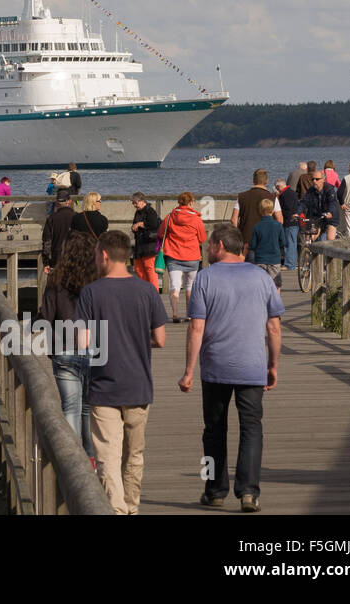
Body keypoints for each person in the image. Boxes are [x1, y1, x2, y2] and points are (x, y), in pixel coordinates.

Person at [178, 224, 283, 513]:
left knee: (213, 430)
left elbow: (196, 328)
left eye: (209, 245)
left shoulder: (205, 278)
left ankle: (214, 490)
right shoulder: (262, 277)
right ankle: (249, 492)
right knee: (252, 428)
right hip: (252, 366)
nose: (207, 250)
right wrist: (273, 365)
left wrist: (188, 370)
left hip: (215, 367)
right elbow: (274, 327)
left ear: (221, 246)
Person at [77, 229, 168, 515]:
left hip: (104, 386)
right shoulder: (146, 290)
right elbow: (161, 339)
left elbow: (83, 342)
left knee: (107, 456)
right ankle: (131, 507)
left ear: (104, 256)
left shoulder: (91, 292)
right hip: (139, 385)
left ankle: (115, 510)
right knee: (134, 455)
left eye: (95, 256)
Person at [38, 231, 97, 462]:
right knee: (88, 408)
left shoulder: (55, 280)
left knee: (70, 406)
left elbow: (46, 317)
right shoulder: (97, 280)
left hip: (63, 347)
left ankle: (72, 462)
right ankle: (91, 459)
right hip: (94, 348)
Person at [157, 191, 207, 322]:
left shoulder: (169, 217)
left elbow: (161, 233)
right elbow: (202, 238)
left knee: (175, 285)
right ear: (191, 203)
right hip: (192, 256)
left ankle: (174, 313)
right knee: (190, 285)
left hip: (173, 256)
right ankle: (189, 314)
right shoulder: (196, 219)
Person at [247, 197, 284, 291]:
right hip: (274, 259)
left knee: (261, 285)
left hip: (260, 260)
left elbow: (253, 245)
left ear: (260, 211)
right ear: (272, 211)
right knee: (276, 285)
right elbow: (283, 242)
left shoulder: (257, 226)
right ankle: (276, 304)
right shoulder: (278, 225)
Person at [230, 169, 272, 248]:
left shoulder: (241, 196)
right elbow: (280, 219)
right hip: (266, 240)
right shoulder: (272, 197)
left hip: (246, 239)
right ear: (266, 181)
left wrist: (238, 236)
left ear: (253, 181)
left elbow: (233, 220)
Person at [129, 192, 161, 290]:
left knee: (150, 270)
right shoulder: (138, 212)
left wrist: (140, 224)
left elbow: (154, 225)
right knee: (139, 270)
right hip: (140, 246)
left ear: (142, 201)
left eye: (135, 203)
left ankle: (153, 292)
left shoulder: (150, 211)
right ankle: (146, 291)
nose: (134, 205)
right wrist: (134, 226)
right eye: (133, 203)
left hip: (149, 246)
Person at [40, 189, 76, 274]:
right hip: (74, 258)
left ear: (56, 203)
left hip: (56, 258)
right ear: (69, 202)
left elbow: (47, 242)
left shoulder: (51, 218)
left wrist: (46, 262)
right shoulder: (76, 217)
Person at [301, 170, 339, 241]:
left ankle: (330, 251)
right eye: (313, 179)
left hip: (330, 218)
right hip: (318, 218)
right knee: (311, 238)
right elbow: (303, 202)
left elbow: (332, 203)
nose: (314, 181)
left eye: (317, 179)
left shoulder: (329, 190)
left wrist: (330, 212)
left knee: (330, 239)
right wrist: (297, 212)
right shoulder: (311, 190)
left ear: (323, 180)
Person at [273, 179, 301, 271]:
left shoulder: (285, 195)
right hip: (294, 222)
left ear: (278, 187)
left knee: (289, 244)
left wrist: (279, 212)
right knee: (291, 243)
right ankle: (291, 263)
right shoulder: (292, 193)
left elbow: (288, 209)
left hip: (289, 222)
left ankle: (290, 264)